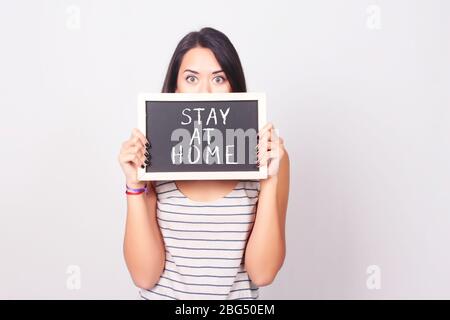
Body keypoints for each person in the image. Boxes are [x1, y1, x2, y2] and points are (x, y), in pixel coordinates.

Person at [118, 27, 290, 300]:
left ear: (234, 86)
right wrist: (134, 186)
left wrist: (269, 180)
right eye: (191, 78)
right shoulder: (153, 154)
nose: (205, 91)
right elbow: (144, 275)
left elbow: (263, 273)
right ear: (175, 88)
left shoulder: (268, 156)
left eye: (219, 78)